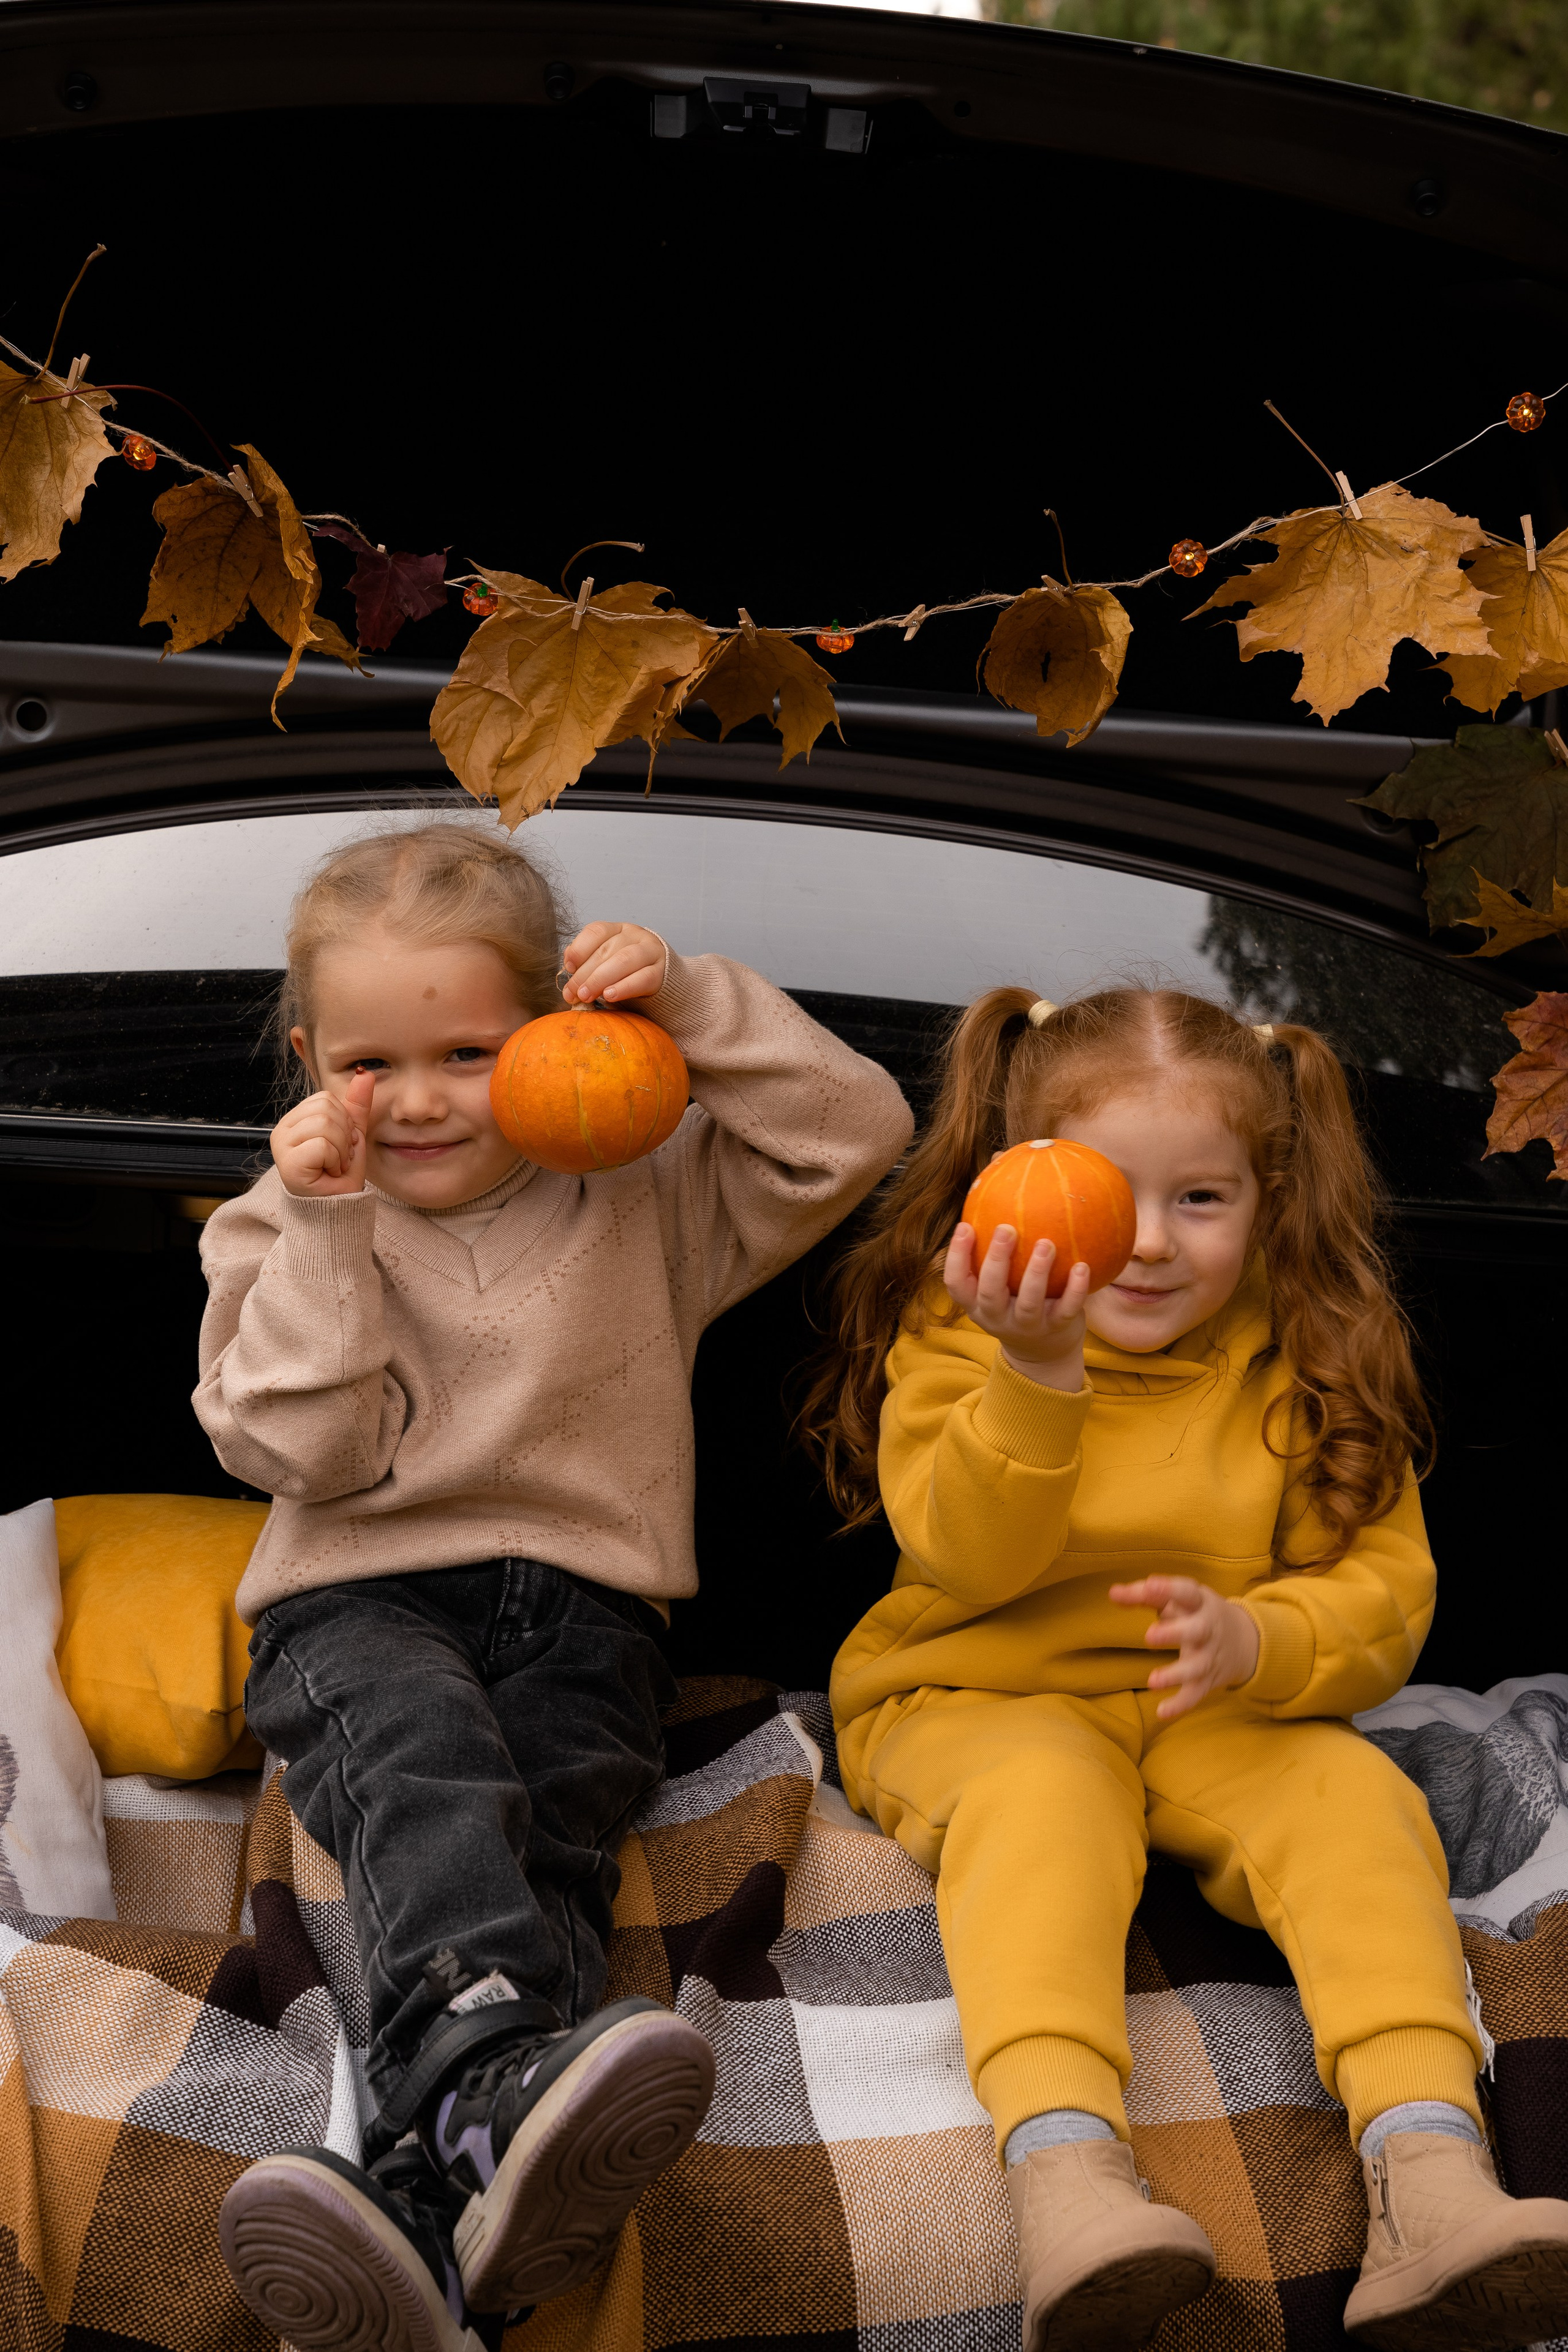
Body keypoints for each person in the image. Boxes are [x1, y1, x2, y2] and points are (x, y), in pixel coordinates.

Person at [196, 822, 913, 2352]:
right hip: (356, 1602)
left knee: (555, 1823)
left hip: (590, 1606)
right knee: (433, 1769)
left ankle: (425, 2195)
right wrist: (328, 1230)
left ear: (550, 1032)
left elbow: (853, 1128)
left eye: (469, 1048)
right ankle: (487, 2076)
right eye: (374, 1062)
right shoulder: (274, 1225)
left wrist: (692, 1012)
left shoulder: (641, 1186)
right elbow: (307, 1456)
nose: (421, 1099)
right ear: (315, 1057)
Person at [806, 984, 1568, 2352]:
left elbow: (1385, 1600)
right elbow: (967, 1558)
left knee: (1352, 1803)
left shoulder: (1308, 1354)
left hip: (1211, 1705)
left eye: (1201, 1201)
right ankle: (1067, 2181)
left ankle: (1429, 2175)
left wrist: (1261, 1639)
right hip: (974, 1691)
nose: (1149, 1247)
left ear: (1266, 1201)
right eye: (1109, 1200)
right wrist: (1034, 1370)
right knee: (1043, 1804)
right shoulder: (967, 1331)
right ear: (1022, 1187)